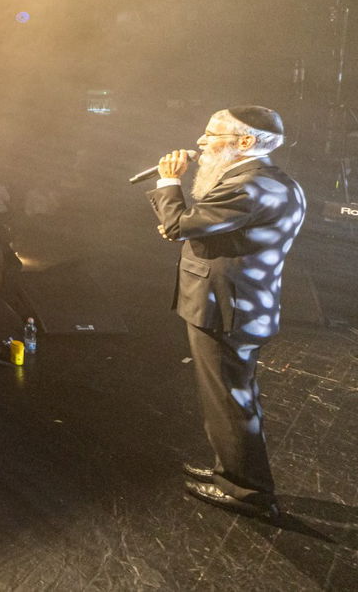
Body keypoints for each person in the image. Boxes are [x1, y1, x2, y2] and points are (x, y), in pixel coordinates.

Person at [147, 106, 306, 520]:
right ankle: (230, 473)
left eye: (211, 133)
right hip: (247, 305)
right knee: (234, 398)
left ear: (245, 142)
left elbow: (178, 225)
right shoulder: (275, 181)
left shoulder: (248, 186)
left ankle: (247, 492)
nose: (200, 141)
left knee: (229, 402)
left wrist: (168, 180)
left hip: (226, 309)